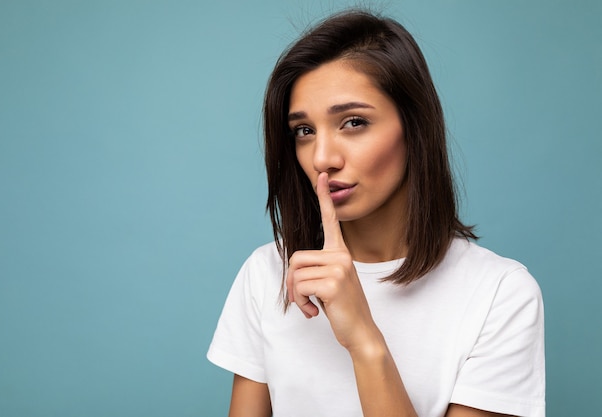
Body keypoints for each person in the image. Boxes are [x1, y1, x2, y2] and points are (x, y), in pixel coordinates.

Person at [207, 9, 545, 417]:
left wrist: (365, 342)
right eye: (304, 130)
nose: (322, 158)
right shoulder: (269, 274)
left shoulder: (499, 295)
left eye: (353, 122)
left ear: (414, 126)